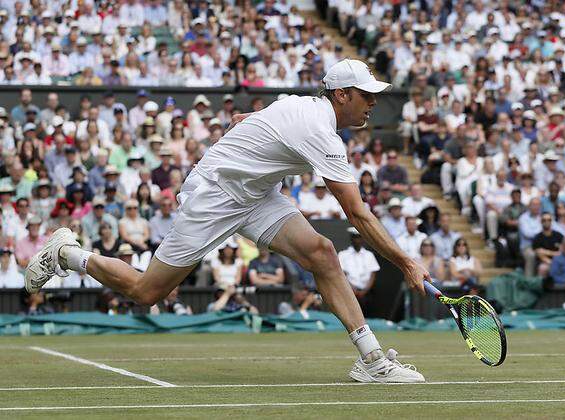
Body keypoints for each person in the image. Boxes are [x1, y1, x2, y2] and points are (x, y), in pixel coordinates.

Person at [26, 59, 427, 383]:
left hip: (256, 195)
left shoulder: (302, 105)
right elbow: (356, 212)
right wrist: (406, 262)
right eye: (365, 95)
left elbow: (267, 113)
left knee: (322, 253)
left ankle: (371, 360)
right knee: (147, 292)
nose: (372, 103)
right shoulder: (320, 131)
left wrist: (247, 119)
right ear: (341, 95)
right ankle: (68, 253)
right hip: (214, 196)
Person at [338, 227, 380, 313]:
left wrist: (365, 291)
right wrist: (352, 289)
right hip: (349, 291)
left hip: (367, 292)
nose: (357, 240)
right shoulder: (343, 254)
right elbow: (342, 275)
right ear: (351, 238)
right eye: (355, 237)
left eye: (359, 237)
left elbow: (373, 275)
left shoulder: (369, 255)